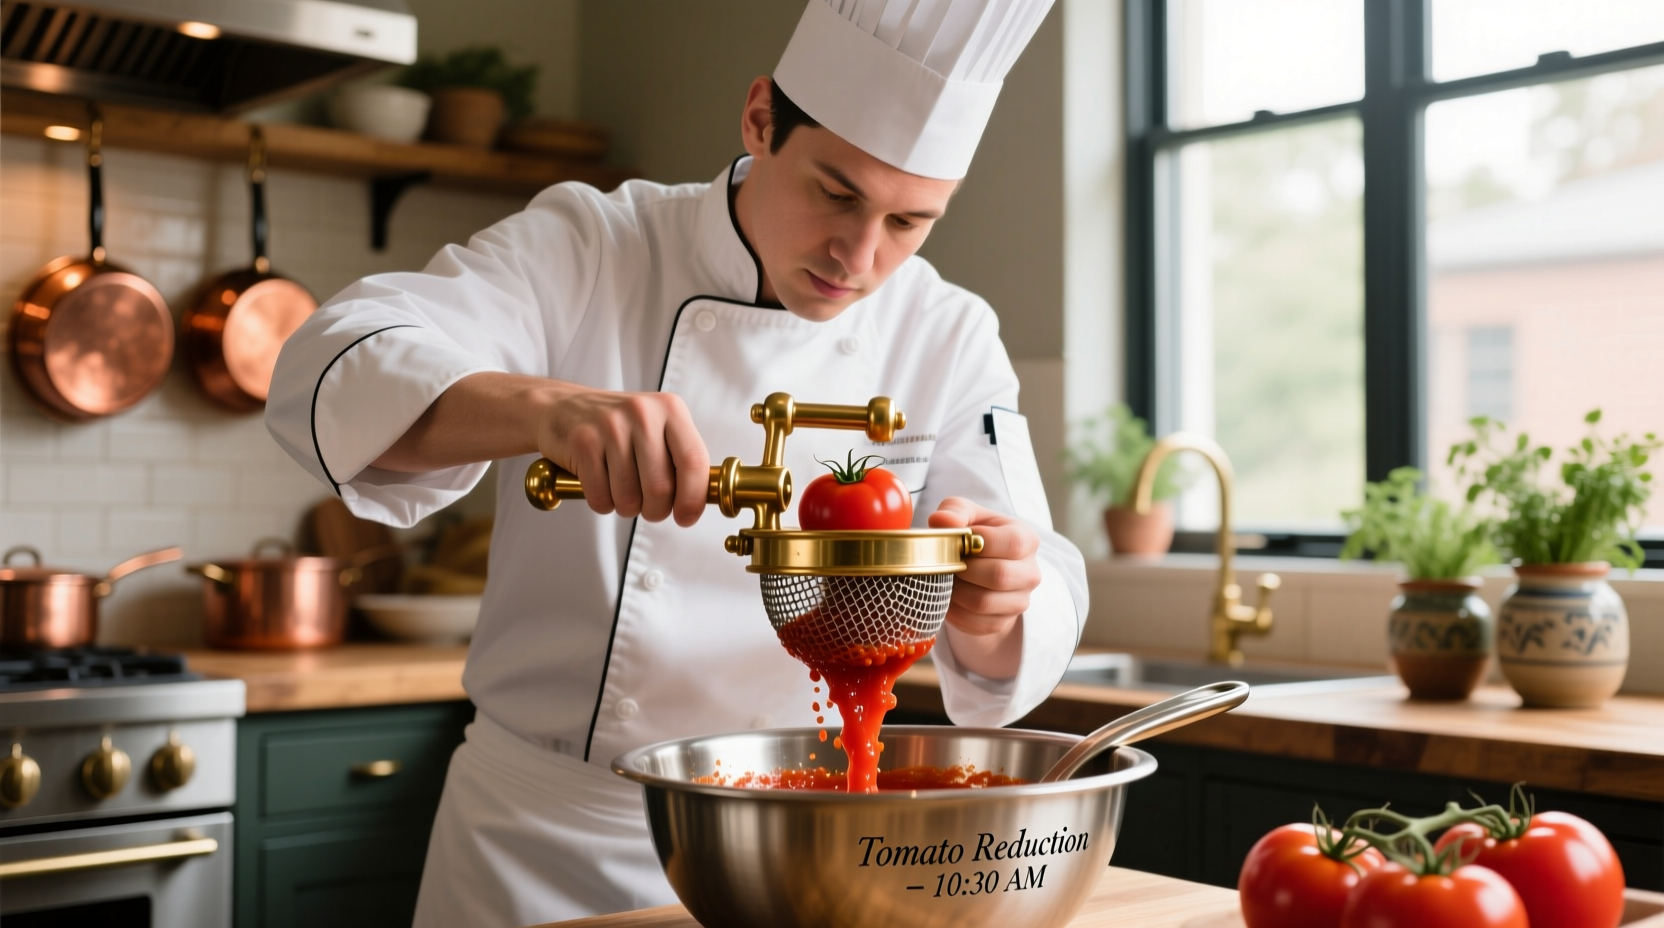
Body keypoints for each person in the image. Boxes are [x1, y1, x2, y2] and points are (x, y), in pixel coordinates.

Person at [265, 1, 1083, 924]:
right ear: (760, 118)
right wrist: (544, 408)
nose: (859, 257)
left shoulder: (946, 333)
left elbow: (1040, 580)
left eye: (909, 222)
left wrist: (1001, 593)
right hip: (538, 848)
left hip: (787, 846)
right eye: (837, 193)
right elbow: (330, 362)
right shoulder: (593, 245)